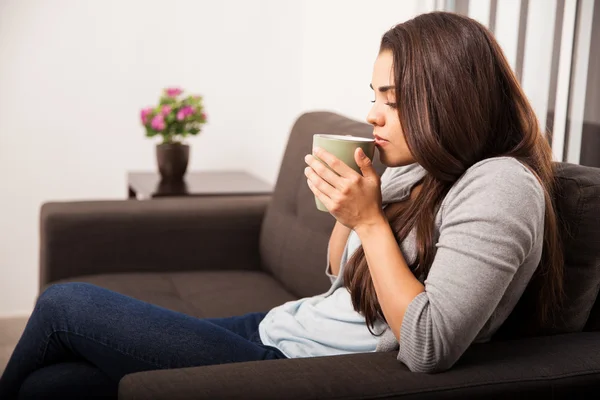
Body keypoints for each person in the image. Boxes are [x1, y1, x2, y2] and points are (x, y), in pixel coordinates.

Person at [0, 11, 563, 399]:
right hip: (276, 327)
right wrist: (349, 212)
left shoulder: (500, 187)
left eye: (393, 101)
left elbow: (428, 344)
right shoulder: (423, 171)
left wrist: (368, 219)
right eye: (375, 97)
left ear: (450, 98)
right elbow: (338, 276)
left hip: (293, 365)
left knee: (64, 304)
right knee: (49, 387)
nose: (373, 116)